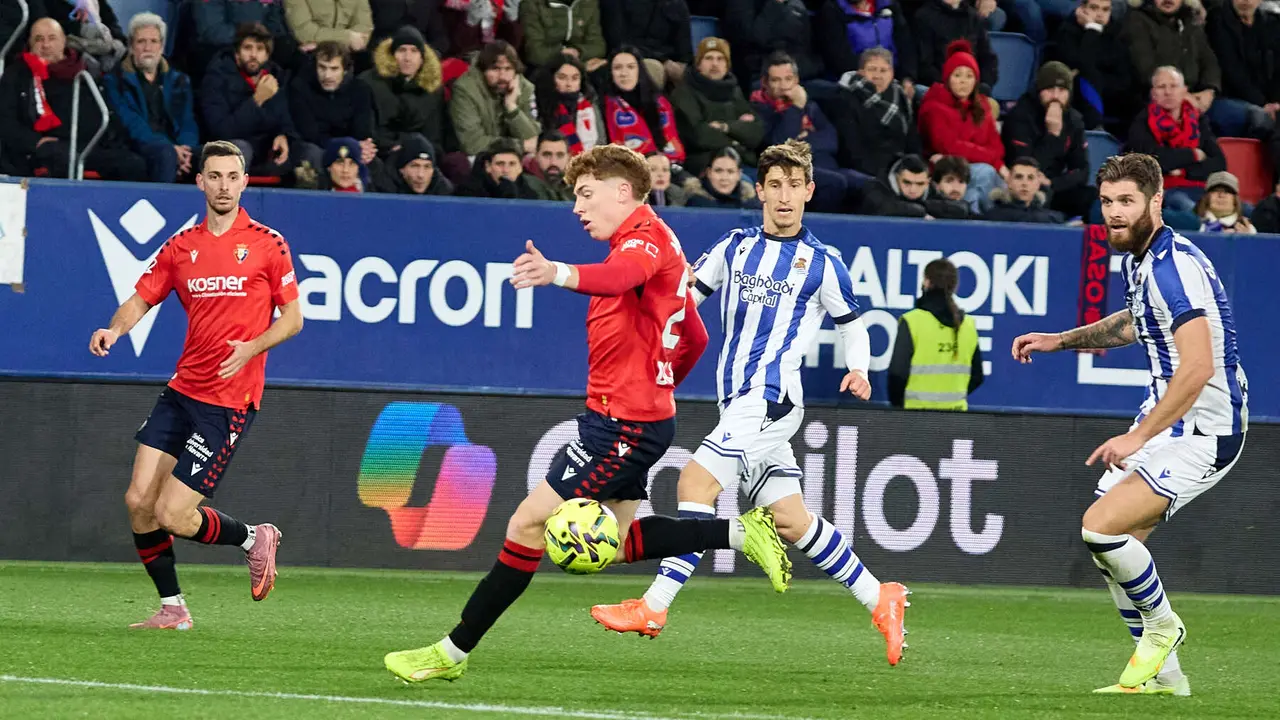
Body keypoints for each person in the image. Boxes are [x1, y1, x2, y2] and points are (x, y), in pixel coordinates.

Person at [382, 143, 792, 684]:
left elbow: (620, 278)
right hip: (634, 419)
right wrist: (659, 385)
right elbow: (694, 334)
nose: (577, 207)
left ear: (622, 192)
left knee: (526, 524)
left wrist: (555, 272)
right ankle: (741, 535)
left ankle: (451, 652)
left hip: (621, 425)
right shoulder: (653, 242)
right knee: (619, 543)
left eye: (585, 193)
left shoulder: (644, 241)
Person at [591, 139, 911, 666]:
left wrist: (860, 367)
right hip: (737, 403)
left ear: (809, 192)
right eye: (775, 186)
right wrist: (645, 324)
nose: (785, 197)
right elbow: (683, 300)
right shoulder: (734, 247)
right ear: (759, 190)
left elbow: (854, 326)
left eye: (795, 186)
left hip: (771, 400)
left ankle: (654, 606)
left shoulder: (824, 264)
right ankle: (881, 597)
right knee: (791, 521)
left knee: (693, 482)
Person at [1012, 152, 1247, 696]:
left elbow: (1199, 368)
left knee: (1100, 527)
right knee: (1115, 550)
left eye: (1127, 202)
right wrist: (1060, 340)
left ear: (1156, 202)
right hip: (1169, 421)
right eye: (1108, 202)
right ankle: (1167, 680)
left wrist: (1137, 436)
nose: (1114, 213)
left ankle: (1164, 629)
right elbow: (1132, 324)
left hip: (1206, 429)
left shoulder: (1173, 267)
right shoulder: (1142, 259)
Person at [87, 141, 305, 630]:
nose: (224, 185)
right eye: (215, 176)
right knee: (138, 501)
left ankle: (253, 539)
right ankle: (173, 608)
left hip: (228, 402)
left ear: (245, 181)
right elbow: (142, 298)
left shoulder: (269, 243)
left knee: (172, 515)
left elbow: (293, 320)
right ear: (200, 182)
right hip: (183, 390)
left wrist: (251, 348)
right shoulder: (182, 247)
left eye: (233, 176)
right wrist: (114, 329)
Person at [103, 13, 200, 184]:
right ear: (131, 46)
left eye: (154, 41)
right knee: (165, 154)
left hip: (178, 148)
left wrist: (186, 151)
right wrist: (171, 149)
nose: (148, 47)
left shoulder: (179, 80)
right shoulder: (115, 80)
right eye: (141, 42)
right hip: (139, 146)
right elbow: (131, 123)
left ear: (162, 47)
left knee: (220, 156)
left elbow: (187, 121)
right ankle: (165, 207)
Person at [917, 40, 1006, 213]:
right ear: (948, 78)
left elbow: (997, 147)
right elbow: (948, 146)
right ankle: (981, 220)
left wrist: (996, 162)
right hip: (944, 167)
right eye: (957, 75)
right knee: (986, 173)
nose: (963, 81)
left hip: (974, 167)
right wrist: (991, 158)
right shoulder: (934, 106)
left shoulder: (983, 105)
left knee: (999, 183)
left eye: (969, 76)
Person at [888, 258, 984, 409]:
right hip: (956, 418)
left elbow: (897, 375)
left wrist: (899, 409)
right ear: (954, 286)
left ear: (927, 282)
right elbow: (977, 376)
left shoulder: (912, 321)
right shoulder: (968, 324)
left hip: (915, 418)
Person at [984, 157, 1067, 224]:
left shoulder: (1050, 216)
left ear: (1038, 184)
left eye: (1030, 178)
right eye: (1018, 177)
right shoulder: (994, 216)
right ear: (1009, 181)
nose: (1024, 183)